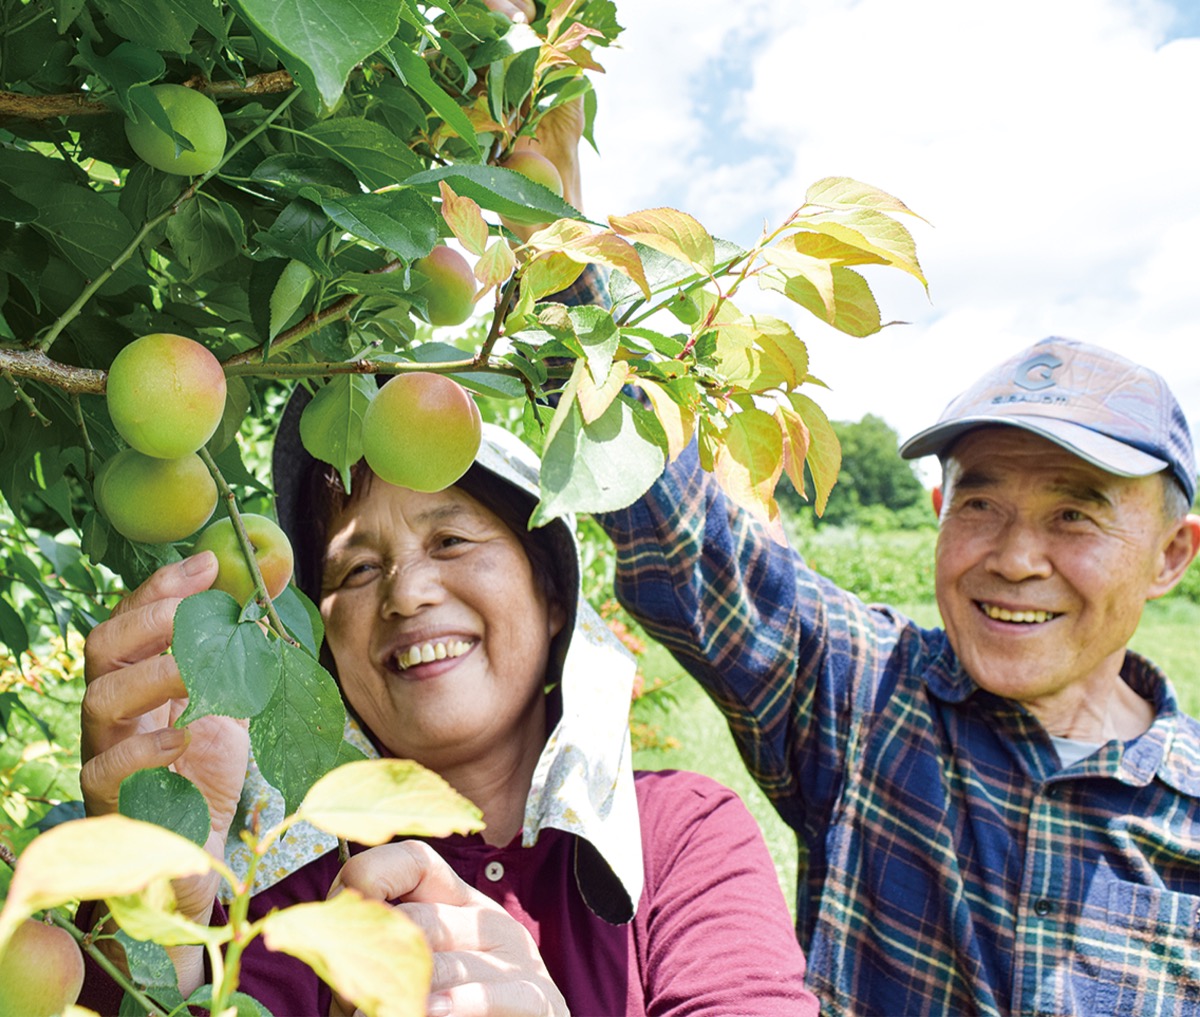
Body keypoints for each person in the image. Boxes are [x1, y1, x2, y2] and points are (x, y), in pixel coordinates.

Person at [77, 405, 816, 1014]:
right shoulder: (284, 889)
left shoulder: (676, 838)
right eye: (358, 568)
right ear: (325, 648)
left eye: (452, 539)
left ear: (553, 593)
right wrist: (151, 905)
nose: (407, 593)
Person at [596, 335, 1200, 1015]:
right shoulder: (867, 696)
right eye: (980, 505)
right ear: (940, 507)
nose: (1017, 558)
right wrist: (567, 278)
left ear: (1170, 554)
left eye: (1074, 515)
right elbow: (688, 542)